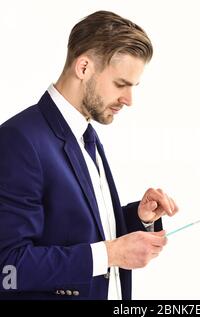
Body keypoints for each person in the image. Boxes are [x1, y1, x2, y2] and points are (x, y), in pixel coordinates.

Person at [0, 10, 179, 300]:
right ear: (83, 67)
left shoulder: (86, 135)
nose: (129, 100)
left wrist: (138, 217)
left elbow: (73, 230)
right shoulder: (19, 140)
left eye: (133, 87)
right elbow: (8, 268)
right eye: (121, 84)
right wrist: (109, 255)